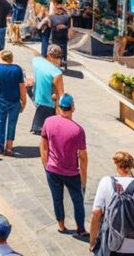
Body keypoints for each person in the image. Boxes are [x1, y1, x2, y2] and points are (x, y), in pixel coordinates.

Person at [40, 93, 88, 238]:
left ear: (59, 107)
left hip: (52, 169)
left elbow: (43, 146)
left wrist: (46, 165)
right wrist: (83, 180)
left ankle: (61, 225)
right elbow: (83, 158)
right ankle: (81, 229)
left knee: (57, 198)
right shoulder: (78, 130)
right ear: (73, 107)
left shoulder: (48, 121)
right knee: (77, 200)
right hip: (71, 173)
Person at [89, 151, 134, 256]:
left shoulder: (106, 182)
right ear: (131, 166)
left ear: (116, 165)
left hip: (110, 241)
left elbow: (96, 213)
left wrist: (92, 241)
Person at [0, 50, 26, 155]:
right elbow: (22, 86)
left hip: (1, 101)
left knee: (1, 122)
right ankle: (9, 147)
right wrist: (24, 101)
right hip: (15, 101)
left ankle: (1, 145)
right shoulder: (17, 69)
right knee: (12, 124)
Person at [31, 45, 66, 135]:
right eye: (58, 57)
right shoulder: (56, 72)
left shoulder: (37, 61)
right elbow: (61, 94)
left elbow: (36, 54)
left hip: (36, 97)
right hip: (48, 103)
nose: (59, 60)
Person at [46, 0, 71, 69]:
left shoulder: (65, 17)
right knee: (57, 50)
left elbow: (68, 24)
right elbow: (50, 25)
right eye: (58, 9)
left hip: (61, 37)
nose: (59, 10)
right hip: (56, 37)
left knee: (62, 51)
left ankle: (62, 63)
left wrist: (63, 8)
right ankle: (57, 62)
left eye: (61, 9)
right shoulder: (53, 17)